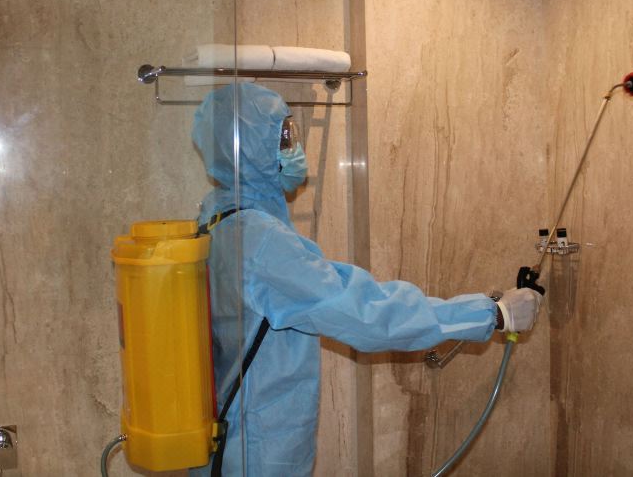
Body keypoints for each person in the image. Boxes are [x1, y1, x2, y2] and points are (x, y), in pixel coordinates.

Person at [190, 82, 542, 477]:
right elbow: (366, 313)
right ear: (249, 150)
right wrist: (492, 314)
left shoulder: (217, 219)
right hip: (256, 452)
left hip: (234, 440)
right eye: (283, 137)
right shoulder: (259, 241)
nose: (294, 148)